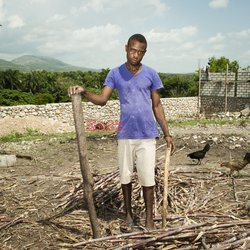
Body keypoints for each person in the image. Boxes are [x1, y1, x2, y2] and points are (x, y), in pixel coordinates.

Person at [68, 33, 176, 230]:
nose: (135, 55)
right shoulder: (115, 73)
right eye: (132, 50)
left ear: (145, 53)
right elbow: (102, 100)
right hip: (125, 134)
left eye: (140, 52)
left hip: (147, 135)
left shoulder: (151, 74)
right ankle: (128, 215)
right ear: (126, 48)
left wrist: (167, 133)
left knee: (147, 178)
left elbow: (157, 105)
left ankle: (149, 220)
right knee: (125, 176)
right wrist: (84, 92)